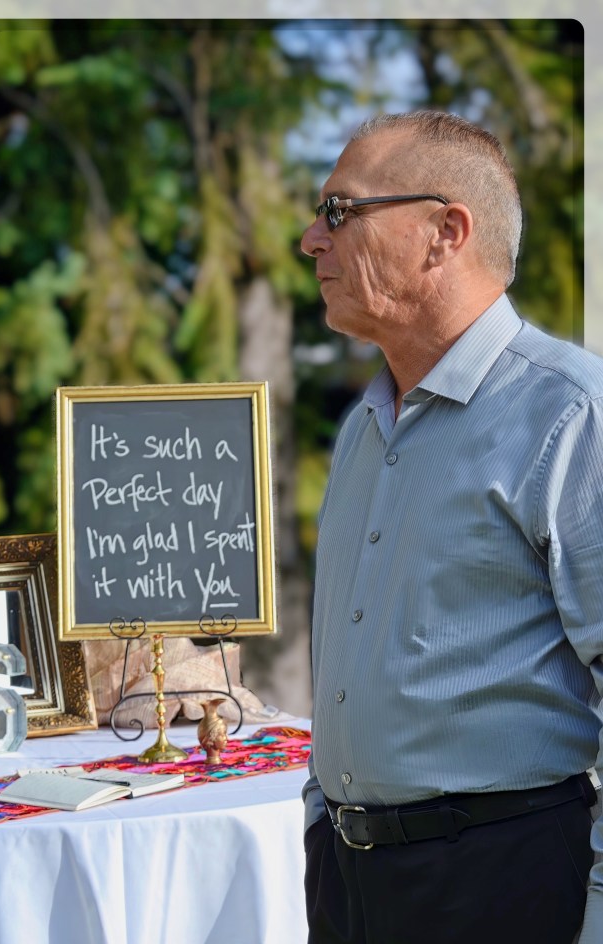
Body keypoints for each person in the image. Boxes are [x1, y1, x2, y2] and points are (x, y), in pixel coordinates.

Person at [299, 110, 603, 944]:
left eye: (337, 211)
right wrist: (323, 820)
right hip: (350, 879)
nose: (308, 241)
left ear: (445, 232)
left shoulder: (573, 414)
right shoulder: (366, 425)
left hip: (506, 886)